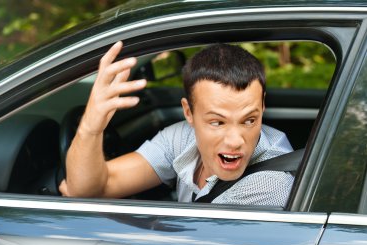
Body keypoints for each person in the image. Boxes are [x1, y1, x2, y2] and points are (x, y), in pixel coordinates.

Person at [59, 41, 294, 206]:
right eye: (217, 122)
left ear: (262, 106)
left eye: (249, 120)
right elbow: (88, 189)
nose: (235, 140)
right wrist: (91, 126)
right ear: (188, 112)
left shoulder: (270, 185)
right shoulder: (182, 137)